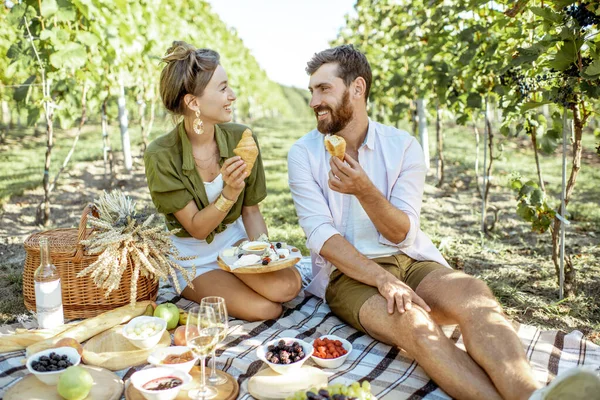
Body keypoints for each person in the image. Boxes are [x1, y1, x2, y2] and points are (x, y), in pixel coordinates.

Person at [288, 44, 600, 400]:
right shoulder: (304, 153)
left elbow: (402, 231)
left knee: (476, 296)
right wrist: (383, 280)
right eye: (312, 90)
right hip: (349, 274)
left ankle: (532, 394)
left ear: (357, 88)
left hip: (410, 259)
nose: (313, 100)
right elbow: (323, 237)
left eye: (323, 88)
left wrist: (363, 189)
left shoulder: (402, 146)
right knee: (415, 326)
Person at [144, 41, 301, 321]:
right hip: (193, 258)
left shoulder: (242, 138)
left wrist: (264, 256)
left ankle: (237, 275)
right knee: (266, 309)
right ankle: (214, 282)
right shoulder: (161, 155)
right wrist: (229, 192)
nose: (233, 95)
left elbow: (251, 212)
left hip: (235, 245)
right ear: (193, 102)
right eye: (223, 88)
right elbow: (196, 229)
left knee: (288, 286)